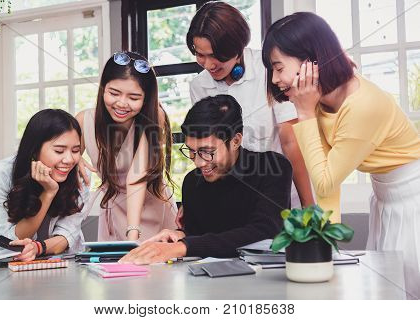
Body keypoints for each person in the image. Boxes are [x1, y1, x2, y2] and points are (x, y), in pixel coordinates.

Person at [262, 12, 420, 298]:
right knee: (390, 295)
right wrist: (325, 251)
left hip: (413, 201)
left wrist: (305, 113)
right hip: (385, 198)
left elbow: (322, 181)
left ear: (310, 61)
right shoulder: (322, 100)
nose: (274, 79)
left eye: (277, 67)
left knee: (407, 296)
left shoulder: (361, 105)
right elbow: (328, 187)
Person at [120, 94, 292, 264]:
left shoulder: (273, 167)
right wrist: (181, 235)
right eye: (192, 152)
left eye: (207, 152)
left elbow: (264, 231)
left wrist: (182, 246)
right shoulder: (192, 183)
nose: (199, 162)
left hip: (265, 280)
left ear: (235, 140)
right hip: (208, 282)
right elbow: (203, 239)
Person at [186, 1, 314, 211]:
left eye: (216, 56)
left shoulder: (268, 71)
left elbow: (290, 141)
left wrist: (308, 207)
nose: (208, 65)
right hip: (231, 200)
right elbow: (206, 152)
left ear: (238, 48)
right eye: (200, 55)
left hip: (278, 194)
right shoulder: (199, 86)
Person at [76, 51, 177, 242]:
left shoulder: (155, 116)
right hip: (113, 206)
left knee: (152, 266)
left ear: (146, 98)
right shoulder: (84, 120)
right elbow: (57, 151)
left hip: (149, 203)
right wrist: (74, 157)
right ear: (102, 88)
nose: (122, 103)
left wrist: (132, 233)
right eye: (114, 93)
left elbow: (136, 176)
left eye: (134, 97)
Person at [0, 109, 89, 261]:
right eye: (59, 150)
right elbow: (11, 240)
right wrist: (48, 193)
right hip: (13, 263)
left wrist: (37, 248)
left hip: (65, 263)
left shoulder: (81, 177)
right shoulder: (1, 174)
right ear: (34, 150)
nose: (69, 159)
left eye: (75, 150)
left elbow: (67, 234)